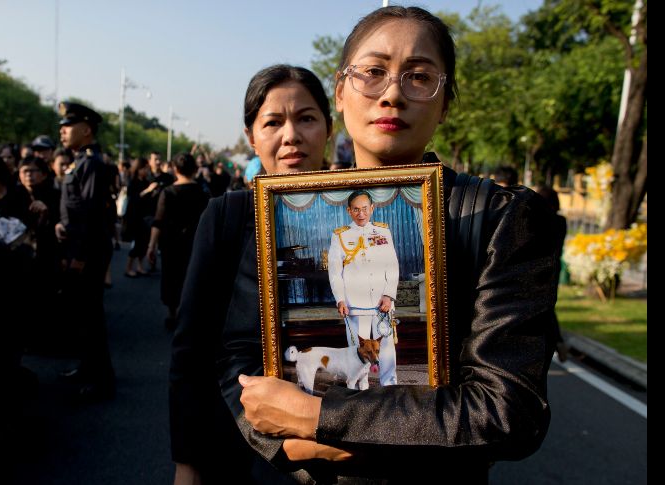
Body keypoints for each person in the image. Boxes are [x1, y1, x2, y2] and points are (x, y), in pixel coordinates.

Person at [234, 7, 559, 483]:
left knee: (383, 359)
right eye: (372, 72)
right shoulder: (282, 207)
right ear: (340, 93)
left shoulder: (500, 217)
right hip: (315, 461)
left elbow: (509, 411)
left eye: (419, 76)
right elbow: (238, 358)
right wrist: (285, 443)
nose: (391, 94)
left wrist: (321, 422)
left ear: (445, 102)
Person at [168, 64, 332, 484]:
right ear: (251, 137)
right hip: (239, 449)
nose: (291, 136)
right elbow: (191, 348)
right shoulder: (227, 216)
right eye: (273, 122)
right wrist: (187, 465)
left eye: (307, 118)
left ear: (329, 128)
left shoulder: (365, 213)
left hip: (342, 444)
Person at [54, 101, 116, 404]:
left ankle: (101, 379)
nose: (62, 131)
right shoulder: (78, 161)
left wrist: (79, 255)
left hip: (87, 250)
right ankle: (87, 366)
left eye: (68, 126)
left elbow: (91, 214)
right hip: (76, 245)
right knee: (82, 314)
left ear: (86, 129)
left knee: (91, 315)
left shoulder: (91, 163)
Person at [327, 189, 399, 386]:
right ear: (349, 211)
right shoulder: (340, 236)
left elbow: (392, 265)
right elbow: (335, 272)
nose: (361, 214)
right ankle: (361, 387)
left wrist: (388, 295)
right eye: (356, 209)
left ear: (372, 208)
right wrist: (340, 298)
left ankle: (389, 386)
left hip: (381, 302)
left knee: (385, 348)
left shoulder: (383, 231)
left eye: (365, 209)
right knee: (358, 349)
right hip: (355, 304)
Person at [146, 152, 210, 329]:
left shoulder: (168, 192)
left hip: (171, 243)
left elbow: (158, 221)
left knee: (171, 277)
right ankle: (189, 314)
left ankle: (173, 314)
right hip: (195, 243)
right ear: (195, 169)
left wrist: (151, 245)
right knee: (192, 277)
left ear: (174, 169)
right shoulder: (203, 192)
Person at [537, 184, 570, 362]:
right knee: (549, 305)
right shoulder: (561, 221)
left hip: (538, 268)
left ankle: (556, 342)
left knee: (542, 306)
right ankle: (557, 342)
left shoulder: (537, 220)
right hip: (554, 267)